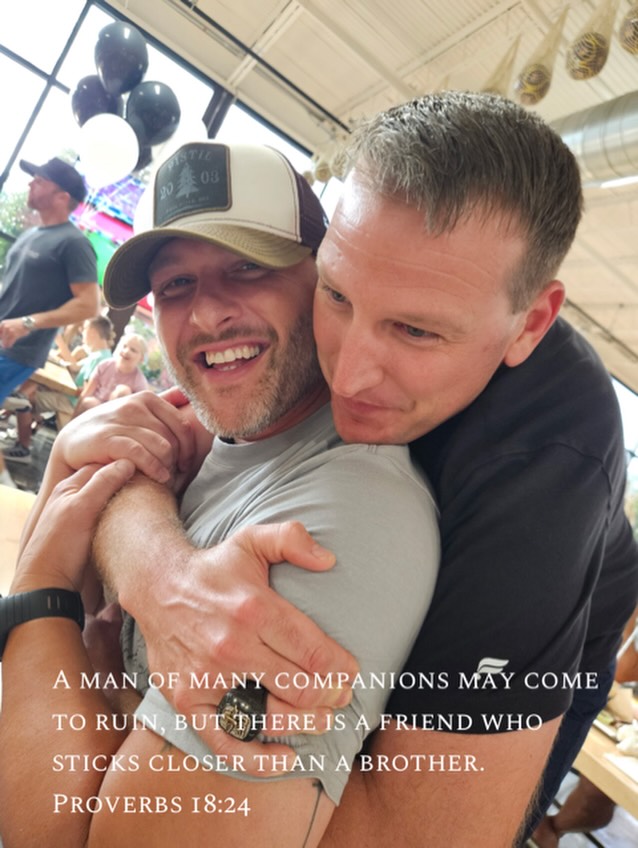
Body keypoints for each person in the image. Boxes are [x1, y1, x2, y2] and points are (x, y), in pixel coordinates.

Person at [13, 92, 638, 845]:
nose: (349, 374)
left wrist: (61, 610)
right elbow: (157, 450)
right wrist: (152, 565)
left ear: (528, 324)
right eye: (338, 296)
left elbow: (413, 837)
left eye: (415, 331)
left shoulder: (543, 449)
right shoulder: (274, 391)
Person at [0, 142, 439, 847]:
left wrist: (38, 591)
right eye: (175, 284)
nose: (206, 316)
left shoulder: (346, 519)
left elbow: (50, 835)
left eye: (247, 267)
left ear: (327, 281)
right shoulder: (202, 438)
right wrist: (69, 461)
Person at [0, 156, 99, 481]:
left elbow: (89, 305)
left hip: (17, 350)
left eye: (40, 180)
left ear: (61, 196)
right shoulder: (32, 234)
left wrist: (27, 323)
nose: (31, 183)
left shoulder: (74, 243)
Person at [6, 315, 114, 461]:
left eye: (85, 329)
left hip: (73, 403)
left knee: (26, 397)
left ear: (93, 332)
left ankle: (23, 448)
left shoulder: (100, 358)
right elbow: (75, 368)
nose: (82, 332)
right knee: (31, 388)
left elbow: (83, 390)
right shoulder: (99, 355)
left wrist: (60, 343)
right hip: (71, 399)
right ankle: (23, 429)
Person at [71, 331, 147, 417]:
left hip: (116, 416)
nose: (126, 351)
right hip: (95, 407)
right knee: (87, 402)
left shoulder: (139, 381)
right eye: (124, 346)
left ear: (141, 358)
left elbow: (139, 411)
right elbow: (86, 393)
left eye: (133, 350)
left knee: (123, 391)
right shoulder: (105, 365)